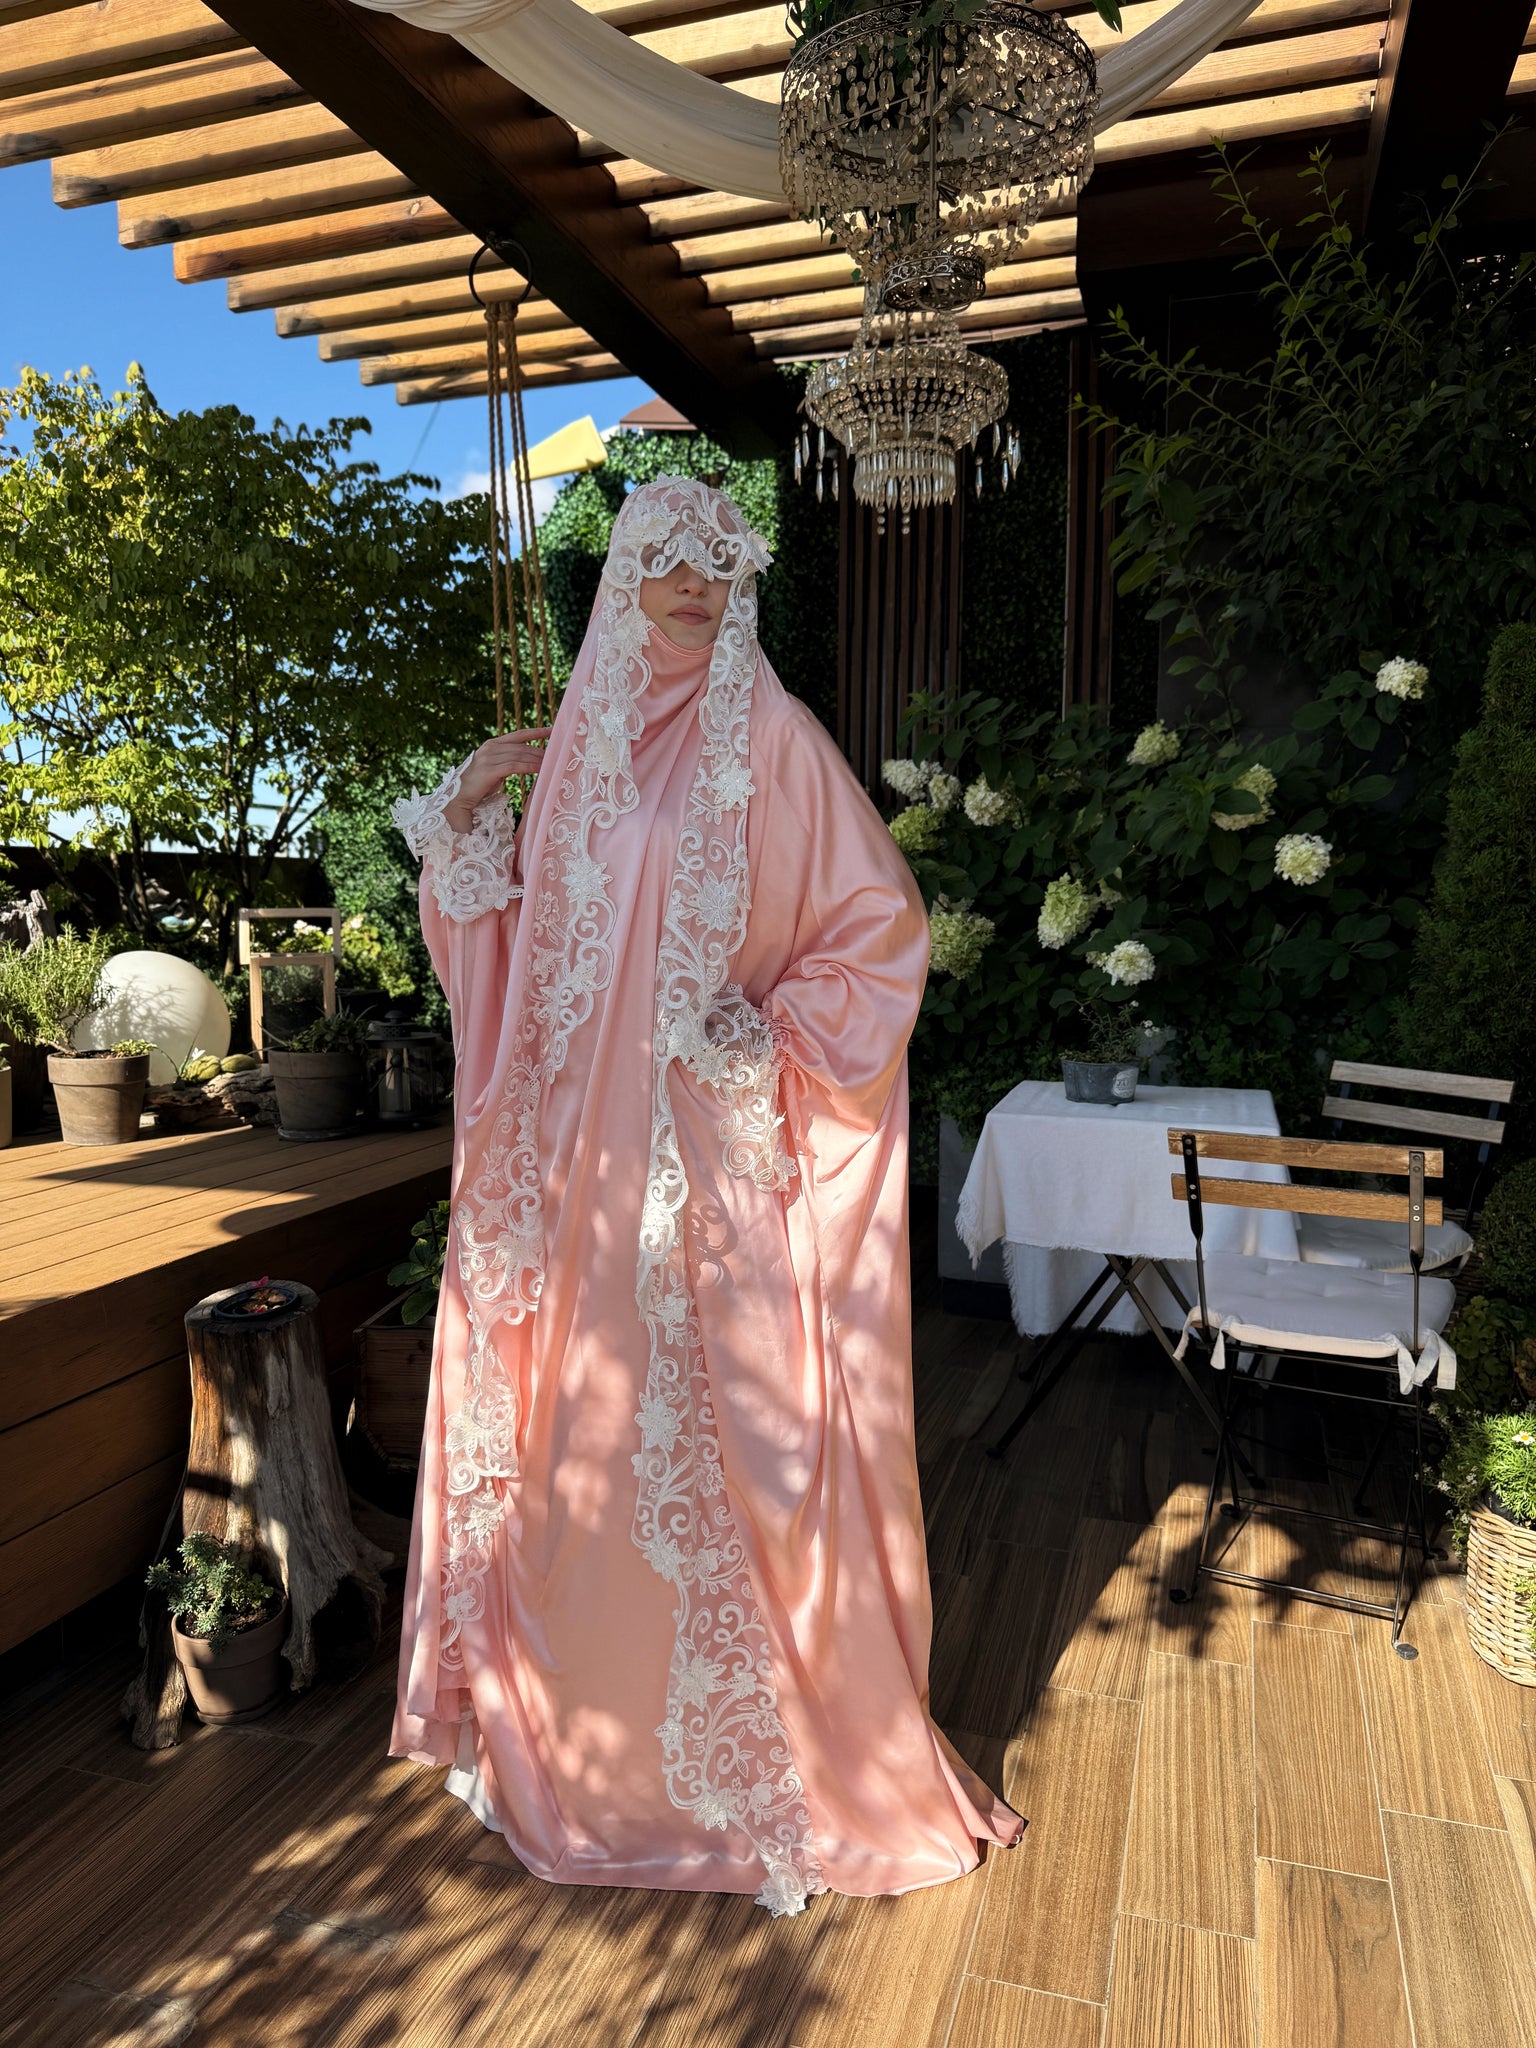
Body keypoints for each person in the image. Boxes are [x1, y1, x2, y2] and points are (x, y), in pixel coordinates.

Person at [391, 475, 1021, 1918]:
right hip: (577, 1177)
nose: (691, 582)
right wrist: (469, 815)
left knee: (716, 1455)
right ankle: (578, 1752)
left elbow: (879, 932)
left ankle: (738, 1777)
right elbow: (518, 965)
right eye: (663, 557)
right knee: (578, 1449)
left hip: (703, 1173)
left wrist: (760, 1041)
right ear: (620, 576)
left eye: (715, 561)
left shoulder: (774, 742)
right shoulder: (580, 756)